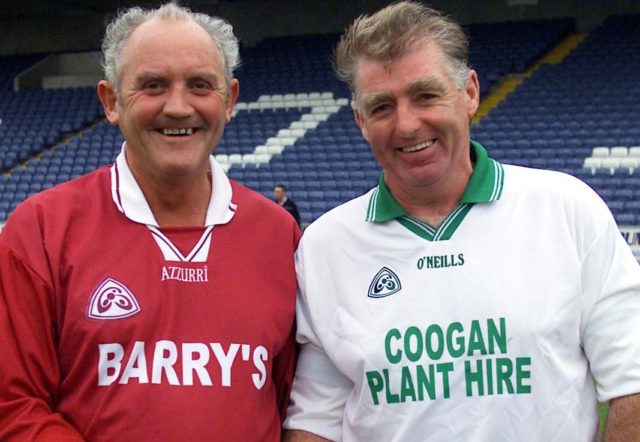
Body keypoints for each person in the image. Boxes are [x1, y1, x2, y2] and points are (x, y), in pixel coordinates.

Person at [283, 2, 640, 441]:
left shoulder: (566, 209)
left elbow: (633, 384)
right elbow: (315, 421)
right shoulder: (326, 246)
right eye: (381, 107)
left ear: (469, 92)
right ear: (360, 121)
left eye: (425, 95)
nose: (407, 124)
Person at [0, 3, 299, 441]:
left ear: (230, 100)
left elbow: (295, 404)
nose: (178, 107)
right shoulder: (42, 230)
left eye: (200, 85)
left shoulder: (278, 235)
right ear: (111, 101)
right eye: (153, 85)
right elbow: (14, 405)